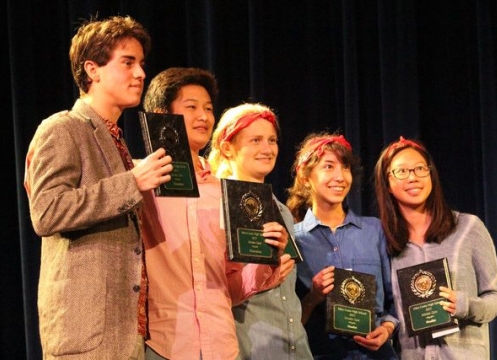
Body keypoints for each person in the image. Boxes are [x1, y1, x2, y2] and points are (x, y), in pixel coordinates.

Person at [24, 16, 173, 359]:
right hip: (86, 335)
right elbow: (46, 213)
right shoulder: (62, 129)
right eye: (128, 62)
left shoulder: (116, 140)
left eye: (141, 64)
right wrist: (132, 183)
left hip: (126, 335)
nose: (140, 74)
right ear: (92, 69)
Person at [141, 69, 290, 360]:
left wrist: (266, 262)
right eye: (192, 107)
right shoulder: (142, 181)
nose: (204, 117)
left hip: (221, 346)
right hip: (165, 345)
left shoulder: (225, 192)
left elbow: (230, 288)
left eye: (208, 109)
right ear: (162, 114)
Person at [373, 136, 497, 359]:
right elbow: (390, 312)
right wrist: (385, 328)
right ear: (388, 184)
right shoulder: (384, 242)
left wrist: (464, 305)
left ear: (431, 175)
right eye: (401, 172)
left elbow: (495, 298)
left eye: (420, 169)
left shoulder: (467, 228)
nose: (412, 177)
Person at [208, 103, 313, 359]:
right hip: (248, 349)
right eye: (255, 140)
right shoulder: (214, 205)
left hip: (294, 349)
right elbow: (212, 290)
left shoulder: (282, 210)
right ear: (227, 148)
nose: (267, 149)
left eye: (272, 140)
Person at [286, 133, 398, 359]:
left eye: (345, 167)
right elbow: (288, 319)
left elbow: (395, 299)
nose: (340, 176)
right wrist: (313, 297)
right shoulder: (294, 240)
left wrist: (386, 329)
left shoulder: (374, 230)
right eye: (329, 166)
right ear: (306, 177)